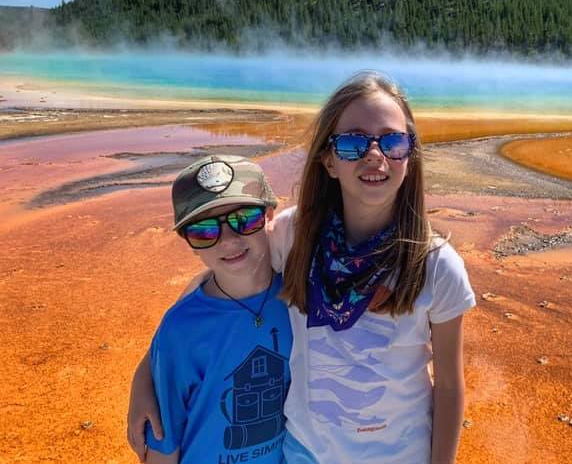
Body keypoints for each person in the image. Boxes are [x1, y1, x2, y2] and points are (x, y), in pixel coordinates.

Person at [130, 72, 476, 463]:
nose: (375, 155)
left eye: (393, 141)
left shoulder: (435, 265)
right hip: (305, 453)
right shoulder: (297, 235)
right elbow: (217, 279)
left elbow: (448, 386)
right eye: (352, 142)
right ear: (328, 161)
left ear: (410, 156)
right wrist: (146, 375)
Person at [139, 155, 292, 464]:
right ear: (189, 242)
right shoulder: (180, 329)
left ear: (269, 216)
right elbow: (163, 436)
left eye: (245, 219)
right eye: (205, 230)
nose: (229, 240)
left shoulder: (299, 297)